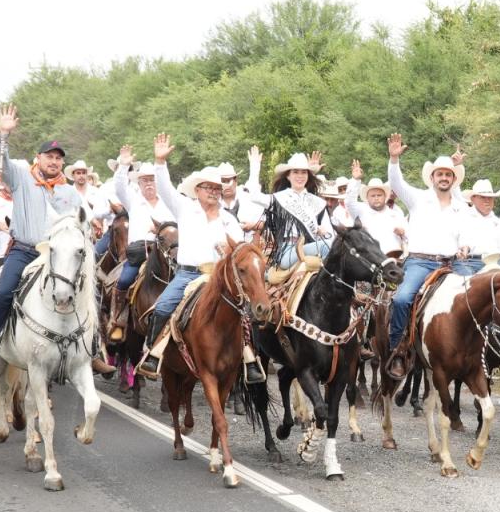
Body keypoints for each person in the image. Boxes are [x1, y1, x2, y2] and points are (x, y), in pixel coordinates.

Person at [0, 105, 114, 375]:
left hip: (59, 256)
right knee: (2, 292)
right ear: (38, 158)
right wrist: (3, 134)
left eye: (58, 158)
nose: (54, 161)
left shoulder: (70, 193)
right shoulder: (21, 178)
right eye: (49, 157)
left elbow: (81, 225)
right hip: (25, 251)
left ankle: (93, 350)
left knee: (91, 292)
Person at [137, 135, 257, 381]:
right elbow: (165, 188)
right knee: (163, 306)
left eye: (216, 188)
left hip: (220, 278)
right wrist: (160, 162)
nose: (213, 192)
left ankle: (248, 359)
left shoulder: (229, 219)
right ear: (197, 190)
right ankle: (152, 353)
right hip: (188, 274)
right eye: (208, 188)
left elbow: (240, 252)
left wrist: (229, 252)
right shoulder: (185, 208)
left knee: (245, 312)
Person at [383, 135, 469, 379]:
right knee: (402, 299)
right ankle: (398, 351)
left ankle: (475, 351)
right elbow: (396, 183)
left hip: (451, 264)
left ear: (453, 179)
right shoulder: (418, 198)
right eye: (440, 174)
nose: (444, 178)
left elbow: (466, 233)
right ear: (432, 178)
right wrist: (394, 159)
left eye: (448, 174)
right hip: (420, 262)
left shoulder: (460, 206)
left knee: (479, 295)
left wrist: (464, 246)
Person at [106, 149, 177, 341]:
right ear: (139, 183)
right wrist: (123, 165)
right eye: (144, 180)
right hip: (140, 253)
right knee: (124, 280)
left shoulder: (169, 202)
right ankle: (117, 320)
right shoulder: (133, 200)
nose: (149, 184)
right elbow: (119, 187)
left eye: (152, 179)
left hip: (167, 252)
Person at [242, 147, 333, 268]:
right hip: (288, 250)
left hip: (314, 246)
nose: (300, 176)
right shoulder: (279, 198)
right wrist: (255, 167)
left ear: (308, 175)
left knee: (333, 247)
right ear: (288, 176)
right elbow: (254, 196)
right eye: (295, 172)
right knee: (327, 246)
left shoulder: (318, 202)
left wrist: (324, 233)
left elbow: (331, 235)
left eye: (304, 172)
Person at [344, 162, 406, 258]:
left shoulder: (396, 214)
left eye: (379, 195)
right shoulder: (361, 211)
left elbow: (409, 237)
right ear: (367, 198)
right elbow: (349, 202)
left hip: (395, 259)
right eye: (373, 196)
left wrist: (403, 233)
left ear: (385, 197)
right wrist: (355, 180)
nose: (376, 198)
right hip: (371, 260)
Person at [456, 178, 500, 274]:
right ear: (473, 199)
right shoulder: (463, 217)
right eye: (483, 197)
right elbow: (461, 241)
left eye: (490, 197)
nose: (487, 200)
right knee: (467, 280)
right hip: (472, 262)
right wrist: (464, 248)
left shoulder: (497, 221)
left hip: (498, 262)